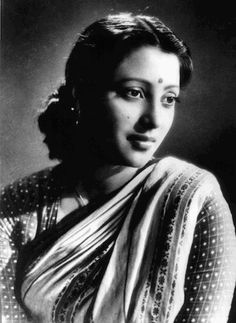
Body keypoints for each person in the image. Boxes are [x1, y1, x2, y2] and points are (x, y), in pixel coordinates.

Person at [0, 12, 235, 323]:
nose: (154, 120)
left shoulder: (193, 200)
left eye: (168, 99)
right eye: (133, 93)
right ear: (81, 95)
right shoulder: (18, 207)